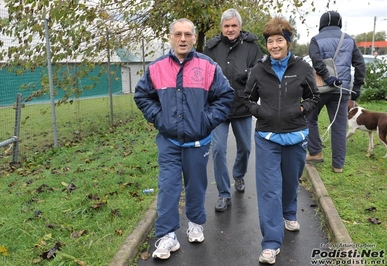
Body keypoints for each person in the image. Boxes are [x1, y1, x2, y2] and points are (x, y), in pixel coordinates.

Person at [134, 18, 234, 260]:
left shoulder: (208, 66)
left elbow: (225, 96)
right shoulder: (156, 67)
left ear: (193, 37)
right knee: (168, 186)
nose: (182, 39)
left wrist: (205, 121)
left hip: (198, 141)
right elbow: (142, 96)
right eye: (178, 34)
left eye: (187, 34)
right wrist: (160, 119)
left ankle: (196, 222)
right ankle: (167, 235)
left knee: (196, 184)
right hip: (168, 141)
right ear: (170, 37)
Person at [243, 16, 320, 264]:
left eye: (279, 40)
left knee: (289, 182)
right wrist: (261, 112)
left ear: (288, 42)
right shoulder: (258, 70)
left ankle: (289, 212)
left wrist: (299, 110)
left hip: (295, 136)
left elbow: (314, 97)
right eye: (270, 41)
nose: (274, 45)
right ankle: (271, 243)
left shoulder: (302, 69)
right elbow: (247, 99)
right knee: (268, 190)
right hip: (267, 137)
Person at [203, 8, 262, 212]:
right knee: (218, 149)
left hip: (242, 105)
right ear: (222, 27)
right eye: (226, 26)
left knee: (245, 147)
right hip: (218, 107)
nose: (230, 29)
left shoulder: (252, 46)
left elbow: (261, 69)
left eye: (234, 26)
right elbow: (202, 74)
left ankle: (238, 174)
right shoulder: (211, 47)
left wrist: (248, 73)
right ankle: (223, 194)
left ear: (239, 26)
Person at [305, 11, 366, 173]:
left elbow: (316, 61)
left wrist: (327, 77)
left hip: (320, 88)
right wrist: (357, 88)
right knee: (339, 127)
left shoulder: (315, 40)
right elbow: (360, 65)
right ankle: (338, 165)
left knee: (309, 118)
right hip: (341, 91)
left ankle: (316, 152)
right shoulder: (348, 40)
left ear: (322, 23)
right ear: (339, 23)